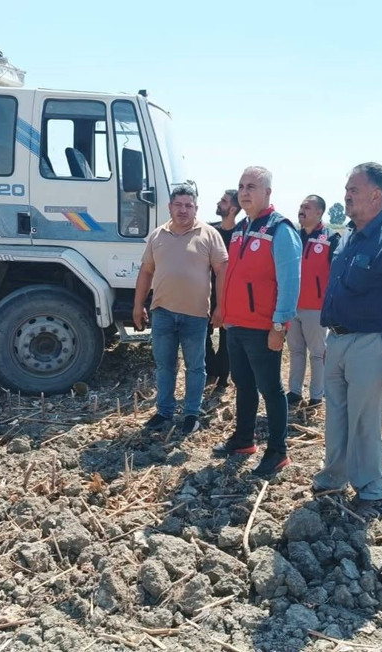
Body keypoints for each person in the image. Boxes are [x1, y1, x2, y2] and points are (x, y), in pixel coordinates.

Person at [313, 162, 382, 518]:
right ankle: (333, 477)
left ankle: (371, 491)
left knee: (365, 419)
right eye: (346, 189)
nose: (346, 195)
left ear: (376, 195)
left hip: (372, 343)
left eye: (354, 190)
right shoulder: (348, 235)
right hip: (338, 340)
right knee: (336, 415)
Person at [213, 166, 301, 477]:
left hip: (263, 327)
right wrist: (225, 312)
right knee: (244, 384)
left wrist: (279, 326)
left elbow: (290, 282)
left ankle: (277, 451)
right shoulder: (241, 229)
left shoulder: (281, 230)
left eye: (252, 186)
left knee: (271, 389)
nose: (244, 192)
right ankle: (243, 440)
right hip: (237, 325)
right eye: (241, 186)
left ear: (268, 193)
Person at [133, 185, 228, 435]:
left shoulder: (209, 234)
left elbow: (222, 272)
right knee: (164, 366)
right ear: (170, 207)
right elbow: (146, 271)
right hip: (162, 312)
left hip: (196, 315)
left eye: (188, 205)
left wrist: (221, 307)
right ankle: (164, 411)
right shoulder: (157, 235)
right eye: (178, 205)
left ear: (196, 208)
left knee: (195, 367)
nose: (183, 210)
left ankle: (191, 414)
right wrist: (138, 305)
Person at [286, 195, 340, 408]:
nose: (302, 210)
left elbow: (336, 274)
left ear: (319, 212)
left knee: (317, 354)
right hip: (293, 306)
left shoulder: (330, 238)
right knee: (296, 351)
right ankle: (294, 392)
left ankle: (316, 396)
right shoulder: (294, 236)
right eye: (301, 206)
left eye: (307, 207)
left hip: (316, 308)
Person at [205, 190, 241, 391]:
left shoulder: (241, 234)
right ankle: (211, 370)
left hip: (232, 295)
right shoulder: (210, 231)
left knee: (228, 339)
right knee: (203, 334)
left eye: (224, 201)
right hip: (207, 292)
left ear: (233, 209)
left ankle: (222, 377)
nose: (219, 203)